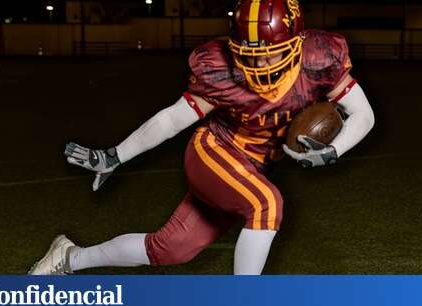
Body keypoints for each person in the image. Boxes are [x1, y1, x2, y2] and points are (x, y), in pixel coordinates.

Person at [28, 0, 374, 275]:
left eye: (270, 52)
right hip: (215, 152)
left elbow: (363, 114)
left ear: (298, 44)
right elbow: (173, 118)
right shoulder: (219, 68)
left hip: (251, 170)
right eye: (251, 55)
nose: (261, 64)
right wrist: (116, 155)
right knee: (266, 204)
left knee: (170, 249)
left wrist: (333, 150)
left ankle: (69, 257)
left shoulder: (320, 58)